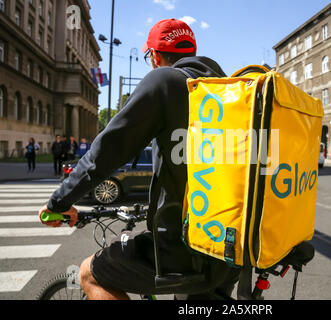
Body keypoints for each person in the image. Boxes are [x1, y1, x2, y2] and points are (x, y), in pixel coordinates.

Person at [38, 19, 239, 300]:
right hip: (231, 248)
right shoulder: (230, 92)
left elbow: (106, 151)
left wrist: (59, 202)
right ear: (192, 50)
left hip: (182, 250)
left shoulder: (166, 81)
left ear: (155, 56)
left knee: (89, 274)